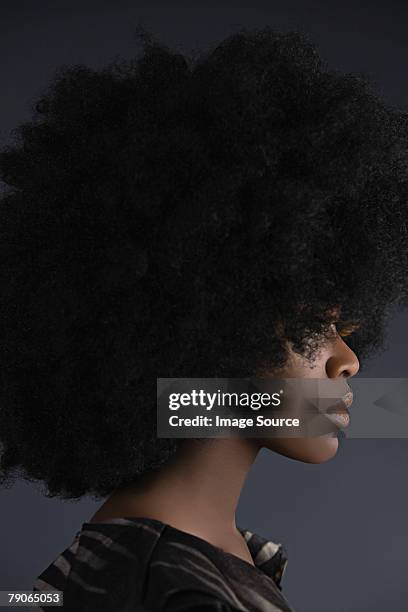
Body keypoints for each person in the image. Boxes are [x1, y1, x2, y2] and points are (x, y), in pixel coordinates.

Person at [0, 27, 407, 611]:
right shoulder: (172, 588)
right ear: (207, 325)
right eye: (316, 327)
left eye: (345, 329)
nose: (350, 360)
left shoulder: (194, 556)